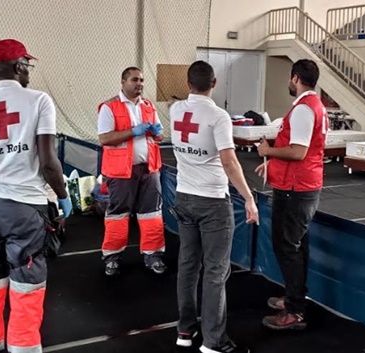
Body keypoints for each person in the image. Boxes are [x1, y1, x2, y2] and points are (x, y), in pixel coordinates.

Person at [0, 39, 72, 353]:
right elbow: (48, 162)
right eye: (28, 65)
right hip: (25, 210)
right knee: (26, 291)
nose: (29, 71)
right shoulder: (38, 102)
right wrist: (63, 196)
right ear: (19, 64)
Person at [170, 61, 259, 353]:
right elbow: (229, 161)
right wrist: (248, 197)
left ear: (188, 82)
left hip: (183, 196)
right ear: (214, 83)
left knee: (187, 266)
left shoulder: (175, 111)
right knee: (215, 272)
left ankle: (185, 331)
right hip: (212, 202)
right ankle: (213, 341)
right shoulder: (218, 116)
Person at [255, 59, 328, 331]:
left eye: (289, 78)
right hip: (300, 185)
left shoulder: (304, 110)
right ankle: (294, 297)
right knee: (296, 246)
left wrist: (268, 152)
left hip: (296, 189)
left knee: (287, 247)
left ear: (295, 78)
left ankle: (295, 310)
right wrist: (273, 162)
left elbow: (298, 151)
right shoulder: (312, 106)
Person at [97, 66, 165, 276]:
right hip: (121, 172)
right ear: (123, 82)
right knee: (117, 215)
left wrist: (157, 133)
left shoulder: (148, 106)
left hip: (149, 169)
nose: (139, 84)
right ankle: (112, 258)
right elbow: (104, 138)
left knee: (152, 214)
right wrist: (133, 132)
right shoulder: (109, 107)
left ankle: (153, 255)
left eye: (142, 80)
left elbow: (159, 135)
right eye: (135, 80)